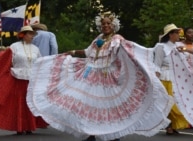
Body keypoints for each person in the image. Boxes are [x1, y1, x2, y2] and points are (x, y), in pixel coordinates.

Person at [26, 12, 173, 141]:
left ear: (113, 25)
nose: (105, 26)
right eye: (103, 24)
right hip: (91, 73)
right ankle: (91, 132)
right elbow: (88, 51)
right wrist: (72, 52)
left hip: (107, 76)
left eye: (108, 23)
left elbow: (127, 50)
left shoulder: (117, 38)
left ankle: (113, 134)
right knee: (89, 105)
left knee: (109, 106)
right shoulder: (98, 38)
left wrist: (144, 56)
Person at [0, 26, 48, 135]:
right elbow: (4, 60)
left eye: (33, 34)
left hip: (32, 79)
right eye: (30, 34)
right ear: (23, 35)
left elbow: (40, 62)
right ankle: (19, 127)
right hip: (17, 78)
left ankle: (29, 126)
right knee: (19, 103)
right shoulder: (14, 47)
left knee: (30, 103)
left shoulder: (35, 49)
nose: (32, 36)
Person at [153, 23, 190, 135]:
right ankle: (168, 125)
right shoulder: (161, 47)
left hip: (176, 77)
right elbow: (157, 65)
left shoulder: (178, 46)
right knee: (169, 103)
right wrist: (156, 81)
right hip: (165, 77)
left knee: (178, 102)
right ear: (170, 35)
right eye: (176, 32)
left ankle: (172, 125)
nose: (178, 34)